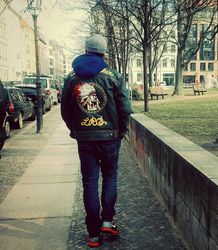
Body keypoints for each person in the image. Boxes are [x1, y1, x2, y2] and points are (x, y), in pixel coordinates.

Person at [61, 34, 131, 248]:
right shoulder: (113, 75)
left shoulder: (72, 77)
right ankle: (108, 221)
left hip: (86, 139)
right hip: (110, 137)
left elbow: (65, 109)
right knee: (110, 176)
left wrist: (75, 130)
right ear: (104, 52)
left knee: (90, 182)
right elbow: (125, 108)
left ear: (86, 50)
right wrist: (121, 130)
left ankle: (93, 234)